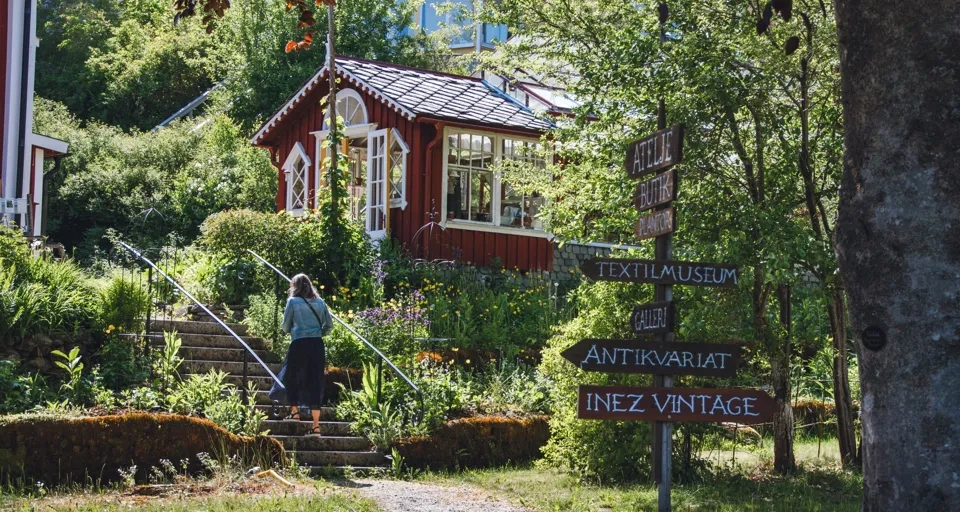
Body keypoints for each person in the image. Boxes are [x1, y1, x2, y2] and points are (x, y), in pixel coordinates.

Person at [278, 273, 333, 436]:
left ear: (294, 286)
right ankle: (316, 426)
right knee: (315, 380)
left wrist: (295, 331)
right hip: (317, 345)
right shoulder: (320, 302)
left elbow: (286, 326)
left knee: (291, 377)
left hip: (299, 344)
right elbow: (329, 325)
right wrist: (317, 333)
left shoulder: (292, 302)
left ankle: (295, 413)